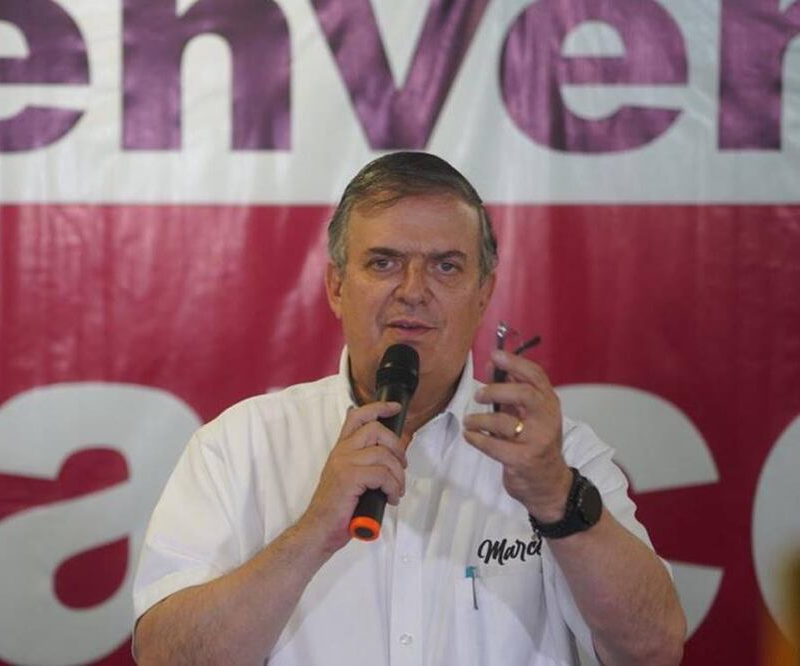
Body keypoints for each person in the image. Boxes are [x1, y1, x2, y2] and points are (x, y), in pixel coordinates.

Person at [131, 152, 686, 665]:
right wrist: (314, 530)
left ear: (483, 290)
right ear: (336, 285)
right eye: (384, 263)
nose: (413, 291)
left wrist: (557, 497)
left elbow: (654, 649)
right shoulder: (240, 444)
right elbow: (163, 658)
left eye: (446, 266)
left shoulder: (552, 456)